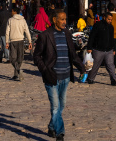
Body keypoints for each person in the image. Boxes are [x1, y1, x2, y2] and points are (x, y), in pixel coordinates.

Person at [33, 9, 86, 141]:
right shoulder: (45, 35)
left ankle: (52, 127)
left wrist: (82, 68)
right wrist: (45, 70)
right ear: (54, 20)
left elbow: (72, 54)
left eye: (65, 19)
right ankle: (60, 133)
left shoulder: (67, 33)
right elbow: (37, 56)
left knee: (61, 105)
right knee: (55, 106)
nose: (64, 22)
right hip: (51, 76)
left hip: (66, 76)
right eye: (62, 19)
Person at [86, 12, 116, 86]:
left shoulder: (111, 27)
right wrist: (89, 47)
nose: (110, 21)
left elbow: (112, 39)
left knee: (110, 65)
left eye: (111, 20)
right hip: (98, 50)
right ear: (104, 17)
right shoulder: (97, 25)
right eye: (108, 19)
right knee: (95, 65)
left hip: (109, 50)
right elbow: (92, 36)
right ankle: (90, 78)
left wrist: (114, 49)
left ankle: (113, 80)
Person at [6, 6, 32, 81]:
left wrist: (7, 42)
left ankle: (17, 72)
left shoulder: (10, 20)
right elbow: (27, 31)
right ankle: (17, 72)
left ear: (14, 11)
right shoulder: (23, 20)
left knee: (12, 58)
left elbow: (7, 32)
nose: (11, 12)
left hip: (13, 41)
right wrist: (30, 41)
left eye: (12, 11)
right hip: (21, 41)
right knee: (19, 58)